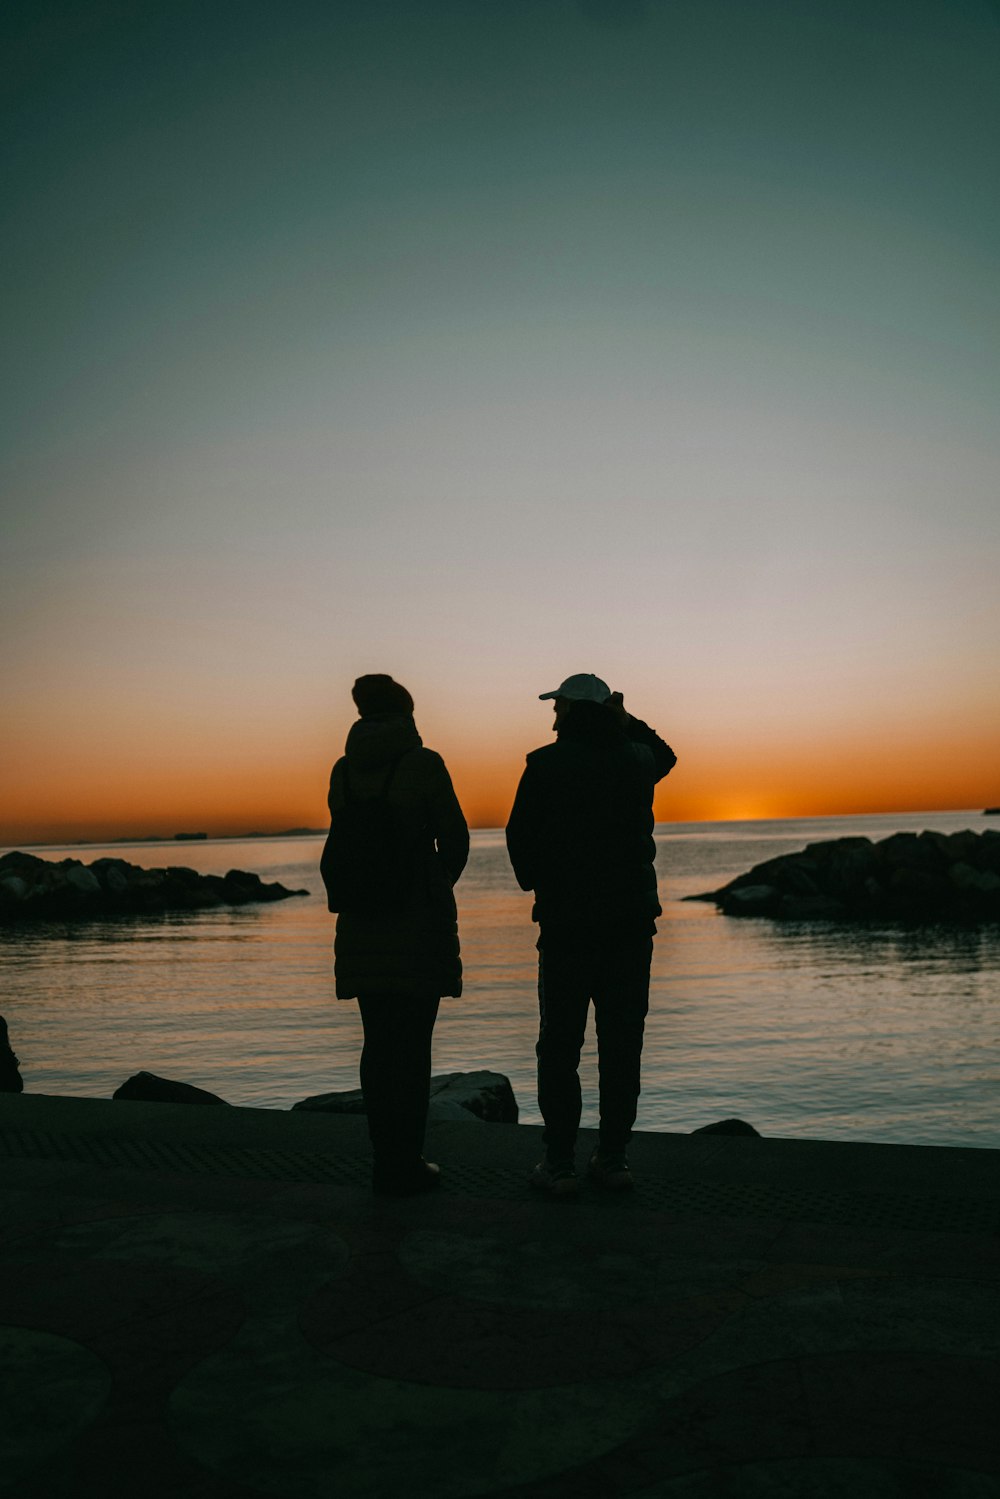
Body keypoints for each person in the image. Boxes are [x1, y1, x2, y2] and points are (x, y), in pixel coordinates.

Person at [505, 672, 676, 1197]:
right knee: (622, 1044)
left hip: (566, 926)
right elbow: (665, 754)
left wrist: (541, 883)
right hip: (629, 925)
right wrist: (627, 720)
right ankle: (613, 1158)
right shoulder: (636, 760)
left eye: (559, 708)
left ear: (573, 711)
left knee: (559, 1046)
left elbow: (519, 835)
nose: (552, 716)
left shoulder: (544, 764)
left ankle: (559, 1164)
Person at [325, 674, 469, 1195]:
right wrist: (431, 886)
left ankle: (384, 1161)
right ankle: (408, 1162)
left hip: (361, 924)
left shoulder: (343, 771)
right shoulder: (423, 763)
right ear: (407, 714)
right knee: (413, 1046)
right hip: (416, 924)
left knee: (377, 1045)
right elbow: (454, 838)